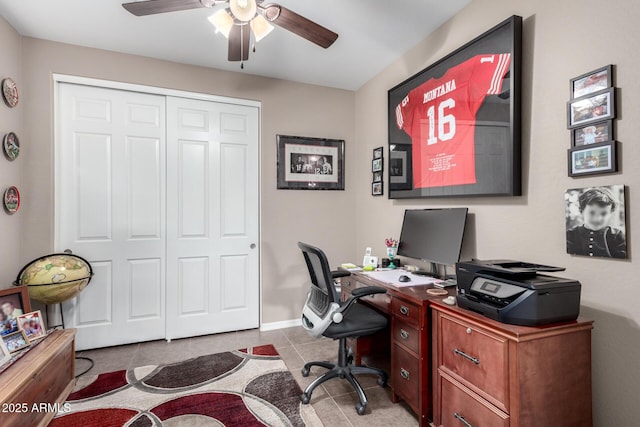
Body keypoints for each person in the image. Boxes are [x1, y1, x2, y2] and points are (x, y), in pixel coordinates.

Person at [566, 187, 626, 258]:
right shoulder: (571, 235)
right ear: (581, 211)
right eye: (592, 213)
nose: (597, 219)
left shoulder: (617, 236)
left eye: (603, 214)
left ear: (610, 214)